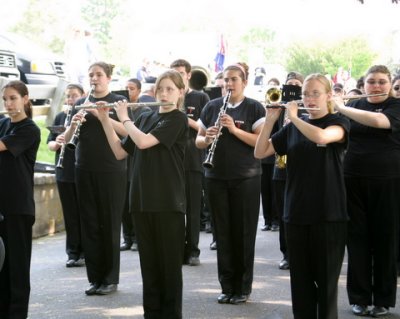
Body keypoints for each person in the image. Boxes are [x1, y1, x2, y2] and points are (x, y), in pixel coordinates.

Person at [255, 73, 350, 319]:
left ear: (328, 96)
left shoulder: (338, 122)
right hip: (296, 212)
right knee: (301, 286)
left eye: (315, 93)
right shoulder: (292, 128)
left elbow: (321, 137)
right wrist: (270, 119)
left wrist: (294, 118)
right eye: (305, 93)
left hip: (329, 214)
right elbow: (261, 151)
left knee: (326, 286)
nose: (309, 98)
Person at [97, 69, 188, 318]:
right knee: (149, 270)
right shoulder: (147, 117)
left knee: (169, 270)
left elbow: (145, 142)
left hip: (168, 203)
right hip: (141, 201)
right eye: (161, 89)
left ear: (181, 92)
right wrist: (105, 119)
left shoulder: (178, 119)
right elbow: (119, 151)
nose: (165, 93)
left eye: (170, 89)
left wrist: (124, 117)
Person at [196, 62, 265, 305]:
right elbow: (198, 141)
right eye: (226, 79)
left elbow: (260, 143)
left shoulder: (254, 107)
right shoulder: (212, 106)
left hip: (246, 177)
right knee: (222, 233)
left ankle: (242, 287)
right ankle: (227, 286)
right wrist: (208, 137)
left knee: (243, 233)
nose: (229, 83)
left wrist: (234, 130)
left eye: (234, 79)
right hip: (215, 177)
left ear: (244, 82)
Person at [334, 65, 400, 318]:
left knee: (385, 239)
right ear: (364, 85)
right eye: (371, 82)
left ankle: (382, 299)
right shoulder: (357, 104)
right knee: (357, 239)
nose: (377, 86)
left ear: (390, 83)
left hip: (389, 180)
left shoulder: (396, 106)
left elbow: (379, 122)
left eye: (382, 82)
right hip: (352, 179)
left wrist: (341, 107)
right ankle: (359, 298)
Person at [63, 61, 128, 296]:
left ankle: (110, 278)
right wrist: (73, 125)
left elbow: (126, 131)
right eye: (91, 75)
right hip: (84, 168)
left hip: (111, 168)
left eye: (99, 75)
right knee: (89, 223)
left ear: (108, 78)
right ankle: (95, 278)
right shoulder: (81, 102)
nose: (94, 79)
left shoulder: (119, 100)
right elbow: (68, 136)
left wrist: (101, 116)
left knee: (109, 223)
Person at [0, 80, 41, 319]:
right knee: (2, 268)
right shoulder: (3, 123)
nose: (8, 103)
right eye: (5, 99)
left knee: (17, 268)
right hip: (1, 207)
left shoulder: (29, 129)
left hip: (18, 208)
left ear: (25, 99)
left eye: (13, 98)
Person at [170, 58, 210, 267]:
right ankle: (176, 248)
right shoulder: (168, 97)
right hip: (171, 160)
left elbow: (206, 128)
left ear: (188, 75)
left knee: (193, 208)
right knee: (174, 208)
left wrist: (184, 119)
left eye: (180, 72)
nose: (177, 74)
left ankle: (192, 250)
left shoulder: (200, 97)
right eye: (173, 71)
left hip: (193, 158)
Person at [47, 83, 85, 267]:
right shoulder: (61, 116)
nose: (70, 99)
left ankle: (86, 251)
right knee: (70, 214)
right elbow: (50, 144)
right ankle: (73, 252)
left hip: (81, 170)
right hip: (64, 171)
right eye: (68, 96)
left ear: (83, 96)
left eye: (75, 96)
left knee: (84, 213)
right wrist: (57, 143)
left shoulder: (85, 117)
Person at [273, 71, 305, 271]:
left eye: (296, 85)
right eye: (289, 84)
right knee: (283, 212)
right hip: (280, 166)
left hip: (300, 165)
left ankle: (300, 252)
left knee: (299, 211)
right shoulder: (279, 106)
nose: (292, 87)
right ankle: (286, 253)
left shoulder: (306, 107)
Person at [120, 78, 151, 252]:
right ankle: (128, 237)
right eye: (126, 88)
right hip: (123, 159)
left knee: (134, 201)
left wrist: (123, 118)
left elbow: (137, 135)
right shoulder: (119, 109)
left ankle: (138, 238)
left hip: (136, 159)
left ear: (138, 91)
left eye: (131, 88)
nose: (128, 91)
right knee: (124, 202)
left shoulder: (143, 110)